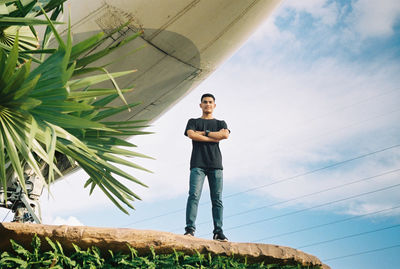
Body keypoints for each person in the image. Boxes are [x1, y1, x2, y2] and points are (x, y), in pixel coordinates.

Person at [184, 93, 230, 241]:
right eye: (205, 102)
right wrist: (213, 138)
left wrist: (204, 133)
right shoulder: (193, 121)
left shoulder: (220, 123)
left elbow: (225, 135)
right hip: (198, 164)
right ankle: (190, 229)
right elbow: (191, 134)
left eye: (210, 102)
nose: (207, 104)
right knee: (194, 196)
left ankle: (218, 232)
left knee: (217, 199)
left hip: (215, 165)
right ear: (200, 105)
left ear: (214, 105)